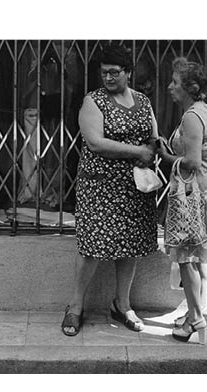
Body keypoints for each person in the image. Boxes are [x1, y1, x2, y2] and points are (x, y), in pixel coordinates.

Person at [61, 44, 159, 336]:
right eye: (103, 72)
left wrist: (154, 149)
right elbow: (95, 142)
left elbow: (153, 136)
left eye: (114, 72)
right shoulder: (94, 101)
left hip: (134, 187)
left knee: (130, 245)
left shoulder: (143, 101)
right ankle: (75, 307)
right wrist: (138, 151)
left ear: (128, 72)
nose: (108, 78)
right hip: (100, 186)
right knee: (92, 247)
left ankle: (122, 304)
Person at [157, 57, 207, 344]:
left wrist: (164, 154)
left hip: (190, 194)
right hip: (201, 190)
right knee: (197, 257)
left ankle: (195, 319)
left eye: (175, 82)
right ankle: (197, 315)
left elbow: (192, 161)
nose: (170, 87)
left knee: (187, 257)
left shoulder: (192, 117)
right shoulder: (205, 112)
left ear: (190, 88)